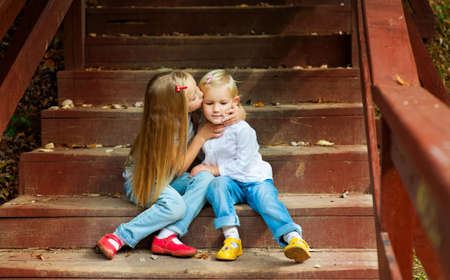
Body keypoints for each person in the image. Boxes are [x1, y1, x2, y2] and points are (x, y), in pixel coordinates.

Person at [96, 71, 242, 259]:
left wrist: (237, 112)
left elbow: (226, 110)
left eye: (197, 89)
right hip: (144, 182)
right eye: (195, 96)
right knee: (174, 207)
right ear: (180, 107)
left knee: (205, 178)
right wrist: (201, 137)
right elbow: (179, 168)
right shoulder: (167, 129)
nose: (202, 95)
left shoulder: (191, 111)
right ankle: (119, 237)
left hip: (168, 180)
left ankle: (169, 235)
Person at [190, 70, 311, 263]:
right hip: (231, 184)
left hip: (255, 180)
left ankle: (293, 238)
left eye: (223, 103)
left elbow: (243, 165)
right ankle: (232, 238)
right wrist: (203, 169)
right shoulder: (206, 131)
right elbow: (211, 159)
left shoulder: (243, 130)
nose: (216, 109)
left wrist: (210, 170)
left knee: (266, 200)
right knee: (216, 186)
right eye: (209, 103)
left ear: (234, 103)